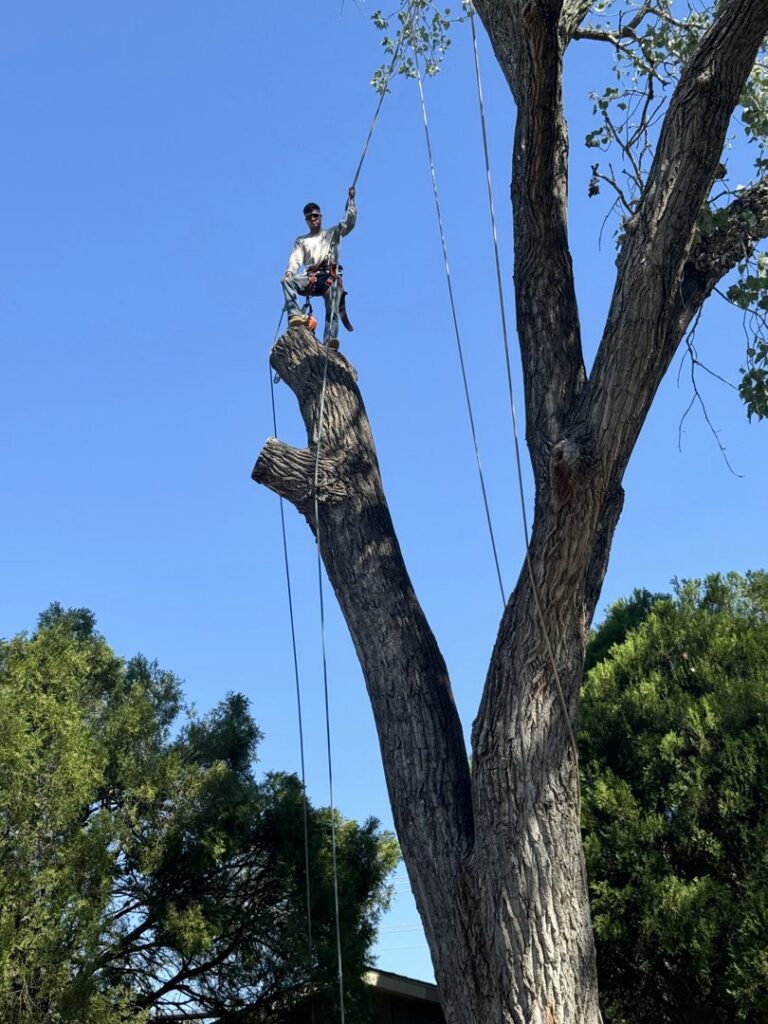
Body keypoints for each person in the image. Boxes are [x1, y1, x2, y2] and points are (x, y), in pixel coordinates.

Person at [280, 187, 356, 351]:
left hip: (329, 276)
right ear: (306, 221)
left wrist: (351, 201)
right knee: (288, 282)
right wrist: (289, 272)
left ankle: (329, 341)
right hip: (312, 277)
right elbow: (295, 258)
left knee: (332, 308)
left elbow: (349, 223)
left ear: (320, 216)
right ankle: (294, 315)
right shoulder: (302, 241)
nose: (313, 219)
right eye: (309, 217)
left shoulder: (332, 233)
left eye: (315, 215)